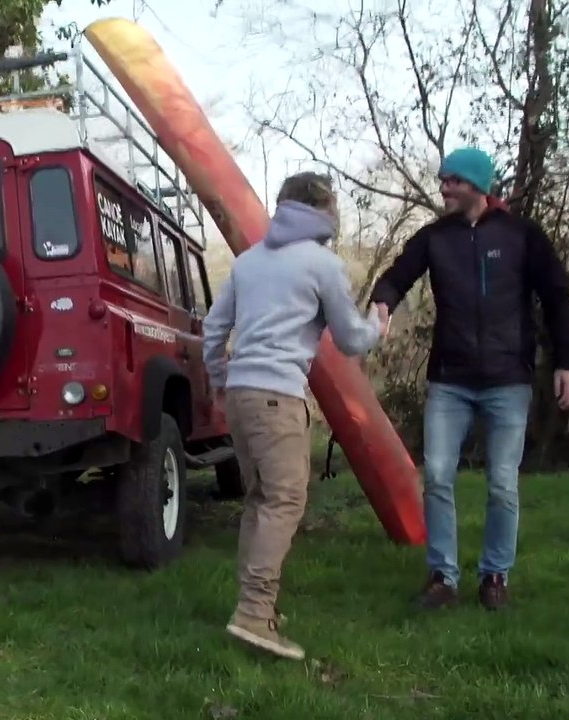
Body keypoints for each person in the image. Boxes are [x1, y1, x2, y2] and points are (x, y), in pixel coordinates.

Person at [368, 146, 569, 612]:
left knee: (503, 482)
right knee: (439, 476)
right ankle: (443, 576)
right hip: (450, 380)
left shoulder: (523, 236)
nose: (444, 188)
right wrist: (382, 303)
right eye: (443, 180)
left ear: (478, 185)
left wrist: (567, 361)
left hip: (508, 380)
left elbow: (558, 297)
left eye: (454, 181)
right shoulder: (434, 238)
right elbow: (397, 277)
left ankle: (494, 576)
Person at [202, 171, 388, 660]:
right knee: (283, 502)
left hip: (242, 394)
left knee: (261, 500)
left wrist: (221, 386)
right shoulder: (322, 264)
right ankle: (253, 612)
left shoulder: (247, 263)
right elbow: (350, 340)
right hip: (278, 398)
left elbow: (213, 329)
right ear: (324, 211)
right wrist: (377, 326)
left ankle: (256, 609)